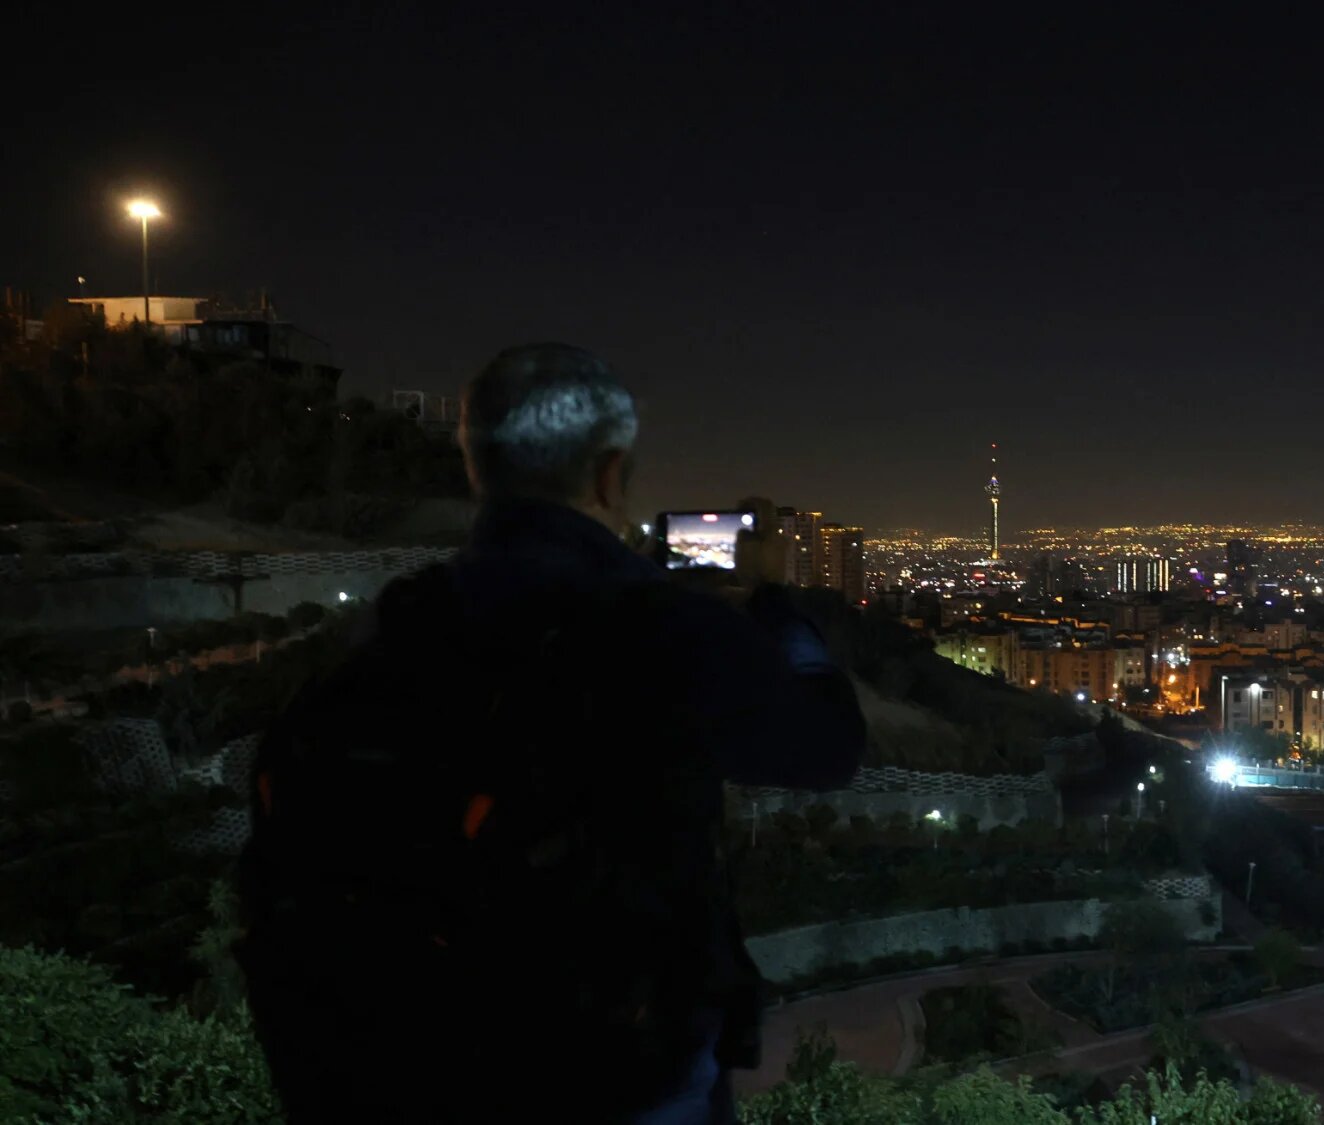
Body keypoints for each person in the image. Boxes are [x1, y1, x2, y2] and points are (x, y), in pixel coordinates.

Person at [238, 343, 865, 1123]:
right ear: (609, 473)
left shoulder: (395, 624)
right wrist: (775, 597)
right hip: (616, 1080)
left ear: (477, 469)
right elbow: (829, 746)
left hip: (401, 1072)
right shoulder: (657, 627)